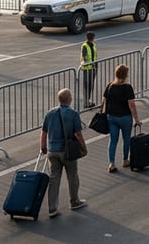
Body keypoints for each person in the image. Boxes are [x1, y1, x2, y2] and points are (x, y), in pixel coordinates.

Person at [39, 88, 87, 217]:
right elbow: (78, 134)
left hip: (52, 151)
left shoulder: (49, 113)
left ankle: (52, 208)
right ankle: (74, 201)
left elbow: (43, 132)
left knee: (54, 179)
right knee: (72, 176)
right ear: (69, 99)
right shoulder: (73, 114)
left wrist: (43, 147)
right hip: (67, 151)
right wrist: (83, 147)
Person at [102, 64, 140, 172]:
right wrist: (137, 119)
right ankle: (125, 160)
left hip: (112, 117)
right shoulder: (127, 88)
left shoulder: (110, 86)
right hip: (125, 117)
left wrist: (104, 114)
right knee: (126, 139)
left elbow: (104, 101)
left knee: (113, 140)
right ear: (126, 75)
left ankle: (111, 163)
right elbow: (131, 105)